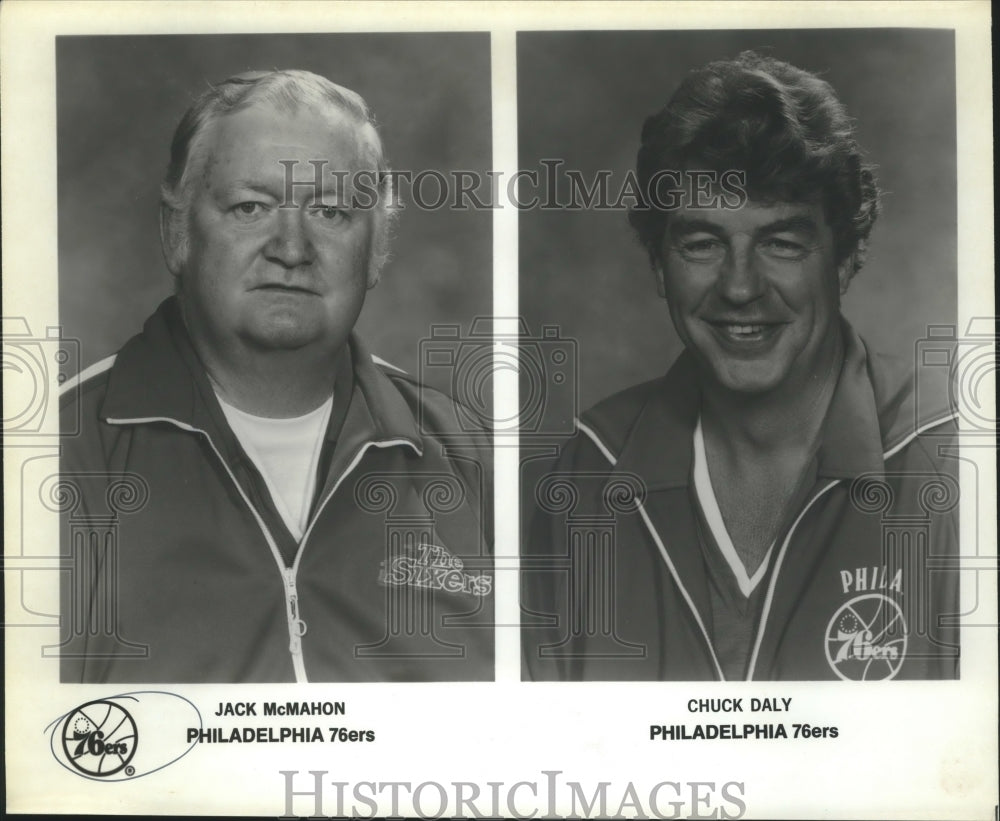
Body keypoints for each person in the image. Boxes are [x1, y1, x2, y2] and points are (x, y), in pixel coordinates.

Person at [522, 52, 959, 681]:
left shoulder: (951, 459)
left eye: (781, 243)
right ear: (658, 265)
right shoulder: (589, 472)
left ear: (846, 257)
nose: (740, 287)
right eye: (702, 244)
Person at [58, 70, 493, 683]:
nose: (291, 247)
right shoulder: (55, 455)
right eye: (251, 207)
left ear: (377, 251)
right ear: (176, 232)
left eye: (331, 212)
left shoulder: (472, 454)